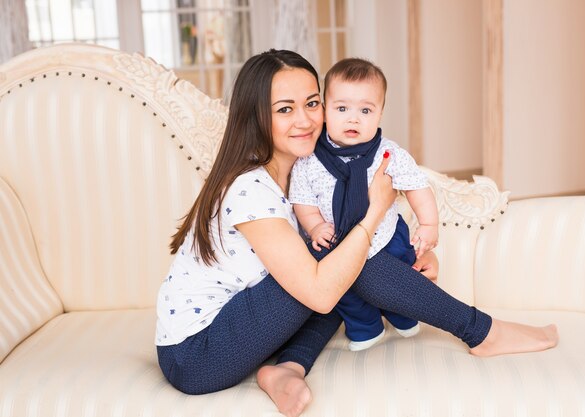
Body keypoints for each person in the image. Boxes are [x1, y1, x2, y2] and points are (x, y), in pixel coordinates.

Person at [155, 49, 558, 417]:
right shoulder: (249, 188)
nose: (305, 119)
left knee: (342, 266)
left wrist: (410, 259)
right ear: (255, 116)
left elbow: (344, 267)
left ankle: (285, 369)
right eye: (284, 109)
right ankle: (481, 331)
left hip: (244, 327)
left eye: (313, 103)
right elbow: (320, 288)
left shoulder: (305, 169)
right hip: (197, 356)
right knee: (341, 259)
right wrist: (375, 210)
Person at [290, 57, 439, 351]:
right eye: (342, 108)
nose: (353, 118)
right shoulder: (309, 160)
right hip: (337, 244)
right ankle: (365, 327)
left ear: (380, 114)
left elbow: (417, 188)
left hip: (387, 239)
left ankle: (404, 316)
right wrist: (316, 225)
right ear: (323, 111)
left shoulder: (389, 154)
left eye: (366, 110)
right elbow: (302, 202)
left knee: (402, 281)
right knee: (346, 293)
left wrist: (429, 223)